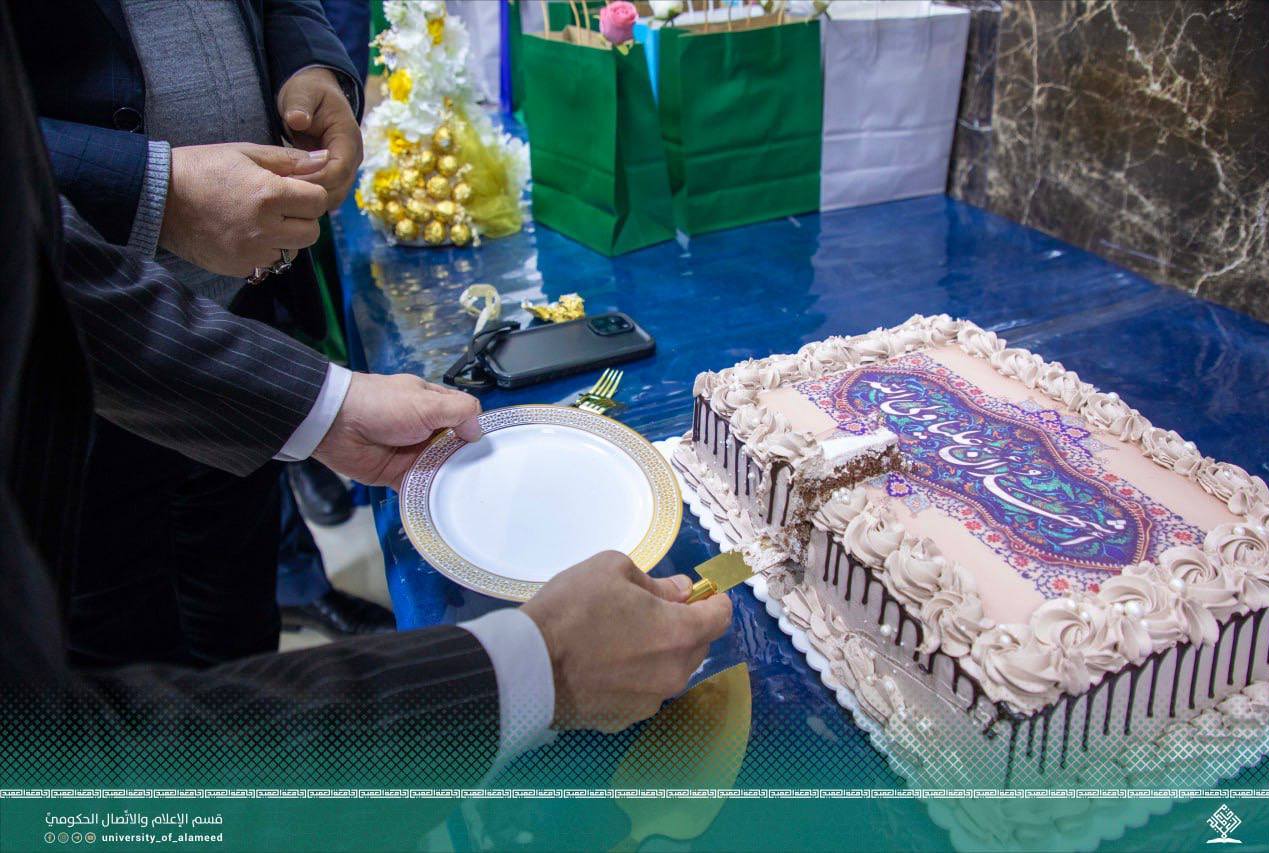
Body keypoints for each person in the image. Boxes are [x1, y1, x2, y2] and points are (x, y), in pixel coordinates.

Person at [0, 5, 733, 790]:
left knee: (234, 613)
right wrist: (530, 672)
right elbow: (86, 780)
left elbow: (53, 261)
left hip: (225, 352)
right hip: (71, 447)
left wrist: (324, 406)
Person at [10, 0, 392, 663]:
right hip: (71, 378)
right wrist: (153, 193)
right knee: (122, 666)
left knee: (242, 628)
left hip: (244, 322)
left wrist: (310, 64)